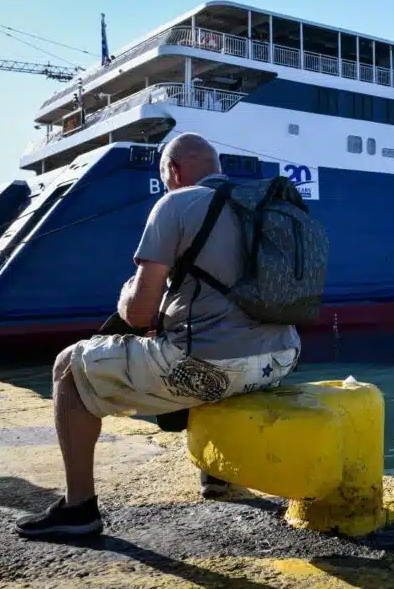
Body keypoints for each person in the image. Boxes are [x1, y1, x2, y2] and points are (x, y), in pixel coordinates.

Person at [15, 133, 302, 537]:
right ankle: (217, 474)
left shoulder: (176, 203)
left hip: (215, 367)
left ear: (173, 170)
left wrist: (125, 298)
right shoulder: (260, 205)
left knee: (69, 368)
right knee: (204, 350)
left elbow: (138, 314)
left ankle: (78, 508)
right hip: (282, 358)